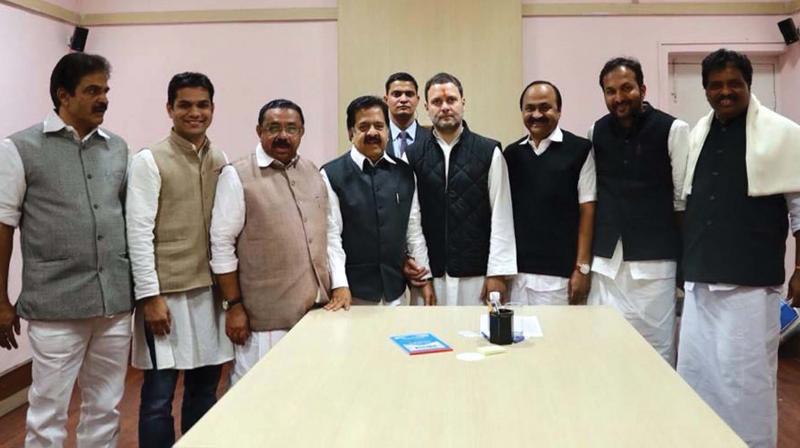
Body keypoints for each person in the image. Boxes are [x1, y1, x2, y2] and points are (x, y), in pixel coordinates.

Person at [0, 52, 133, 447]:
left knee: (105, 407)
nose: (104, 99)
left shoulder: (118, 148)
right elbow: (3, 227)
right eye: (93, 90)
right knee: (48, 411)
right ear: (63, 95)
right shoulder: (19, 148)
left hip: (113, 303)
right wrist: (1, 301)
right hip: (55, 306)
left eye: (105, 90)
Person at [677, 48, 800, 448]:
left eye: (734, 84)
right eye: (716, 85)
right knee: (698, 376)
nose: (725, 92)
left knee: (745, 382)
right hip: (700, 281)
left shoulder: (784, 134)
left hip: (750, 286)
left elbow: (799, 212)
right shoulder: (698, 132)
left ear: (750, 85)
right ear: (705, 90)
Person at [127, 72, 233, 448]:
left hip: (209, 295)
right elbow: (137, 235)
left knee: (204, 393)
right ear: (169, 108)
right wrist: (150, 298)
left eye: (202, 105)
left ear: (213, 109)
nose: (194, 112)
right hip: (166, 298)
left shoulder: (218, 158)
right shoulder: (148, 160)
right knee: (158, 399)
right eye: (185, 105)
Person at [210, 99, 331, 385]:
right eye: (273, 127)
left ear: (302, 132)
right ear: (259, 131)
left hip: (313, 314)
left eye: (291, 128)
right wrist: (234, 306)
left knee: (305, 393)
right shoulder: (237, 175)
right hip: (264, 320)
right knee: (255, 397)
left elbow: (329, 235)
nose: (283, 135)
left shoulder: (313, 172)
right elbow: (222, 244)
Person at [587, 57, 690, 365]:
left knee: (654, 353)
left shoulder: (673, 129)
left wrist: (684, 267)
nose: (619, 97)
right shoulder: (597, 131)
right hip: (605, 264)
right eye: (610, 91)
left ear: (642, 88)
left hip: (653, 263)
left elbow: (682, 202)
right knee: (603, 349)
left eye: (626, 88)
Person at [404, 72, 516, 305]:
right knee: (432, 339)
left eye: (451, 100)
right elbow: (411, 220)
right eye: (437, 102)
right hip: (430, 275)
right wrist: (422, 273)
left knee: (475, 338)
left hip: (476, 275)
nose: (445, 107)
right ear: (426, 107)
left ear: (463, 103)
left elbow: (501, 215)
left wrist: (497, 273)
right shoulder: (412, 155)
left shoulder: (489, 151)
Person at [321, 95, 435, 307]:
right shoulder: (331, 174)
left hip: (395, 290)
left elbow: (413, 230)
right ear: (350, 132)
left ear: (388, 131)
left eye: (379, 126)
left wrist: (424, 277)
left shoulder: (405, 173)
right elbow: (331, 236)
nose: (372, 132)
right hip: (352, 294)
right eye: (363, 126)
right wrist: (339, 284)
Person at [505, 80, 596, 305]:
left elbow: (588, 210)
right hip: (517, 277)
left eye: (545, 107)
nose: (536, 114)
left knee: (559, 339)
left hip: (561, 278)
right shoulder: (511, 154)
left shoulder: (580, 150)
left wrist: (582, 269)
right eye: (530, 108)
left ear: (559, 110)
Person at [383, 72, 432, 159]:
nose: (403, 99)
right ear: (386, 100)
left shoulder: (432, 139)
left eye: (409, 94)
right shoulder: (378, 139)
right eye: (397, 94)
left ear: (417, 100)